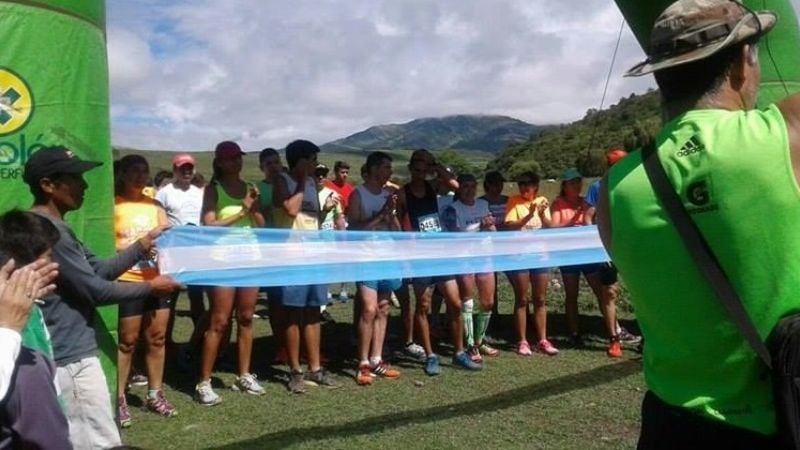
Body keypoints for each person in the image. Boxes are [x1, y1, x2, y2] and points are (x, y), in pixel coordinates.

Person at [598, 0, 797, 447]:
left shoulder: (616, 185)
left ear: (661, 75)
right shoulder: (786, 135)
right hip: (774, 417)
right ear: (744, 64)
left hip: (670, 422)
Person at [22, 146, 179, 449]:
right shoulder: (48, 231)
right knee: (97, 443)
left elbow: (101, 270)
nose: (85, 185)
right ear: (48, 185)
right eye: (75, 178)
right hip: (70, 358)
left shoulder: (55, 228)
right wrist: (152, 287)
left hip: (65, 351)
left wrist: (146, 241)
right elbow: (96, 290)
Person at [397, 152, 481, 374]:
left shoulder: (433, 186)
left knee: (454, 303)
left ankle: (459, 353)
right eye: (417, 168)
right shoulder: (403, 193)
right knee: (423, 306)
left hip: (440, 253)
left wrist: (437, 166)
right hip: (419, 256)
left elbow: (456, 185)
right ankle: (430, 355)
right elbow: (398, 221)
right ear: (410, 168)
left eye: (425, 169)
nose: (421, 173)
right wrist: (407, 246)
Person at [196, 141, 266, 405]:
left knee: (247, 317)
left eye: (239, 157)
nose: (236, 162)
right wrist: (243, 211)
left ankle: (244, 374)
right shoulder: (213, 189)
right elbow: (209, 225)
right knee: (219, 321)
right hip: (223, 260)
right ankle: (204, 381)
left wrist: (255, 209)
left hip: (250, 258)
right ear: (220, 162)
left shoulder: (249, 188)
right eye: (231, 158)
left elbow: (260, 225)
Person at [114, 155, 177, 426]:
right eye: (134, 171)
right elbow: (106, 245)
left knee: (157, 338)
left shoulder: (155, 205)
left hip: (157, 279)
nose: (141, 176)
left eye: (145, 171)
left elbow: (170, 239)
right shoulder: (112, 205)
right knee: (127, 340)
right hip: (128, 279)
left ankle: (155, 394)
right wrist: (136, 247)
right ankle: (118, 397)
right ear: (123, 174)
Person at [273, 140, 340, 393]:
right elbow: (290, 210)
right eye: (311, 160)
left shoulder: (313, 183)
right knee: (293, 315)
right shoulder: (284, 181)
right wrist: (301, 181)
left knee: (313, 313)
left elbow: (310, 218)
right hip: (292, 257)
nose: (315, 165)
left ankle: (315, 368)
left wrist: (324, 211)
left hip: (315, 255)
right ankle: (295, 371)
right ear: (300, 161)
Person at [0, 212, 67, 449]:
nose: (55, 264)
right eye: (49, 256)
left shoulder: (34, 313)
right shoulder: (27, 365)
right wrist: (9, 330)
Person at [550, 168, 619, 356]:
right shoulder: (558, 203)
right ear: (564, 185)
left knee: (601, 292)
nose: (576, 185)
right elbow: (553, 226)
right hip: (568, 254)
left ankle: (613, 331)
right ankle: (574, 332)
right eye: (572, 182)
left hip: (588, 254)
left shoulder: (585, 201)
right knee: (572, 295)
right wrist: (573, 220)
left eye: (578, 182)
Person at [348, 151, 403, 385]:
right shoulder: (358, 194)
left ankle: (377, 359)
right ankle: (362, 363)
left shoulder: (388, 195)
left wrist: (391, 217)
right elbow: (354, 230)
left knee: (383, 307)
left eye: (390, 168)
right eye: (385, 167)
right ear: (371, 169)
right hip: (366, 257)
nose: (389, 172)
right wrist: (381, 215)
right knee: (368, 309)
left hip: (387, 256)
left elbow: (396, 231)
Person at [584, 149, 641, 348]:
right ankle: (614, 339)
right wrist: (600, 243)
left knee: (640, 290)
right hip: (607, 249)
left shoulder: (634, 185)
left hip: (632, 246)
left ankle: (647, 336)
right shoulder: (597, 187)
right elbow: (588, 217)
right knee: (609, 292)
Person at [155, 153, 207, 349]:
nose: (186, 171)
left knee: (197, 296)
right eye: (182, 168)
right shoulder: (165, 192)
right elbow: (160, 219)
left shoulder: (199, 191)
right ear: (175, 170)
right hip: (174, 251)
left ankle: (198, 341)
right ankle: (167, 342)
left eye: (190, 168)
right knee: (171, 295)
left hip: (196, 250)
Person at [503, 172, 558, 356]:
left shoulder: (542, 200)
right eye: (521, 184)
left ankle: (543, 339)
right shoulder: (514, 201)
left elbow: (549, 227)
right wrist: (530, 215)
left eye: (529, 184)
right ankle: (522, 341)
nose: (525, 188)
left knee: (540, 299)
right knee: (522, 299)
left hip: (540, 255)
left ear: (536, 186)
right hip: (520, 256)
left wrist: (541, 214)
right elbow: (510, 225)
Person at [444, 174, 497, 363]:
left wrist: (490, 227)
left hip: (484, 256)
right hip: (465, 258)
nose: (469, 190)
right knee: (467, 301)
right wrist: (480, 228)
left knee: (488, 302)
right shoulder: (453, 209)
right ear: (459, 189)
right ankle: (470, 344)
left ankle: (480, 340)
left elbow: (492, 230)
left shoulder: (483, 205)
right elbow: (455, 236)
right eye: (465, 186)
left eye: (472, 186)